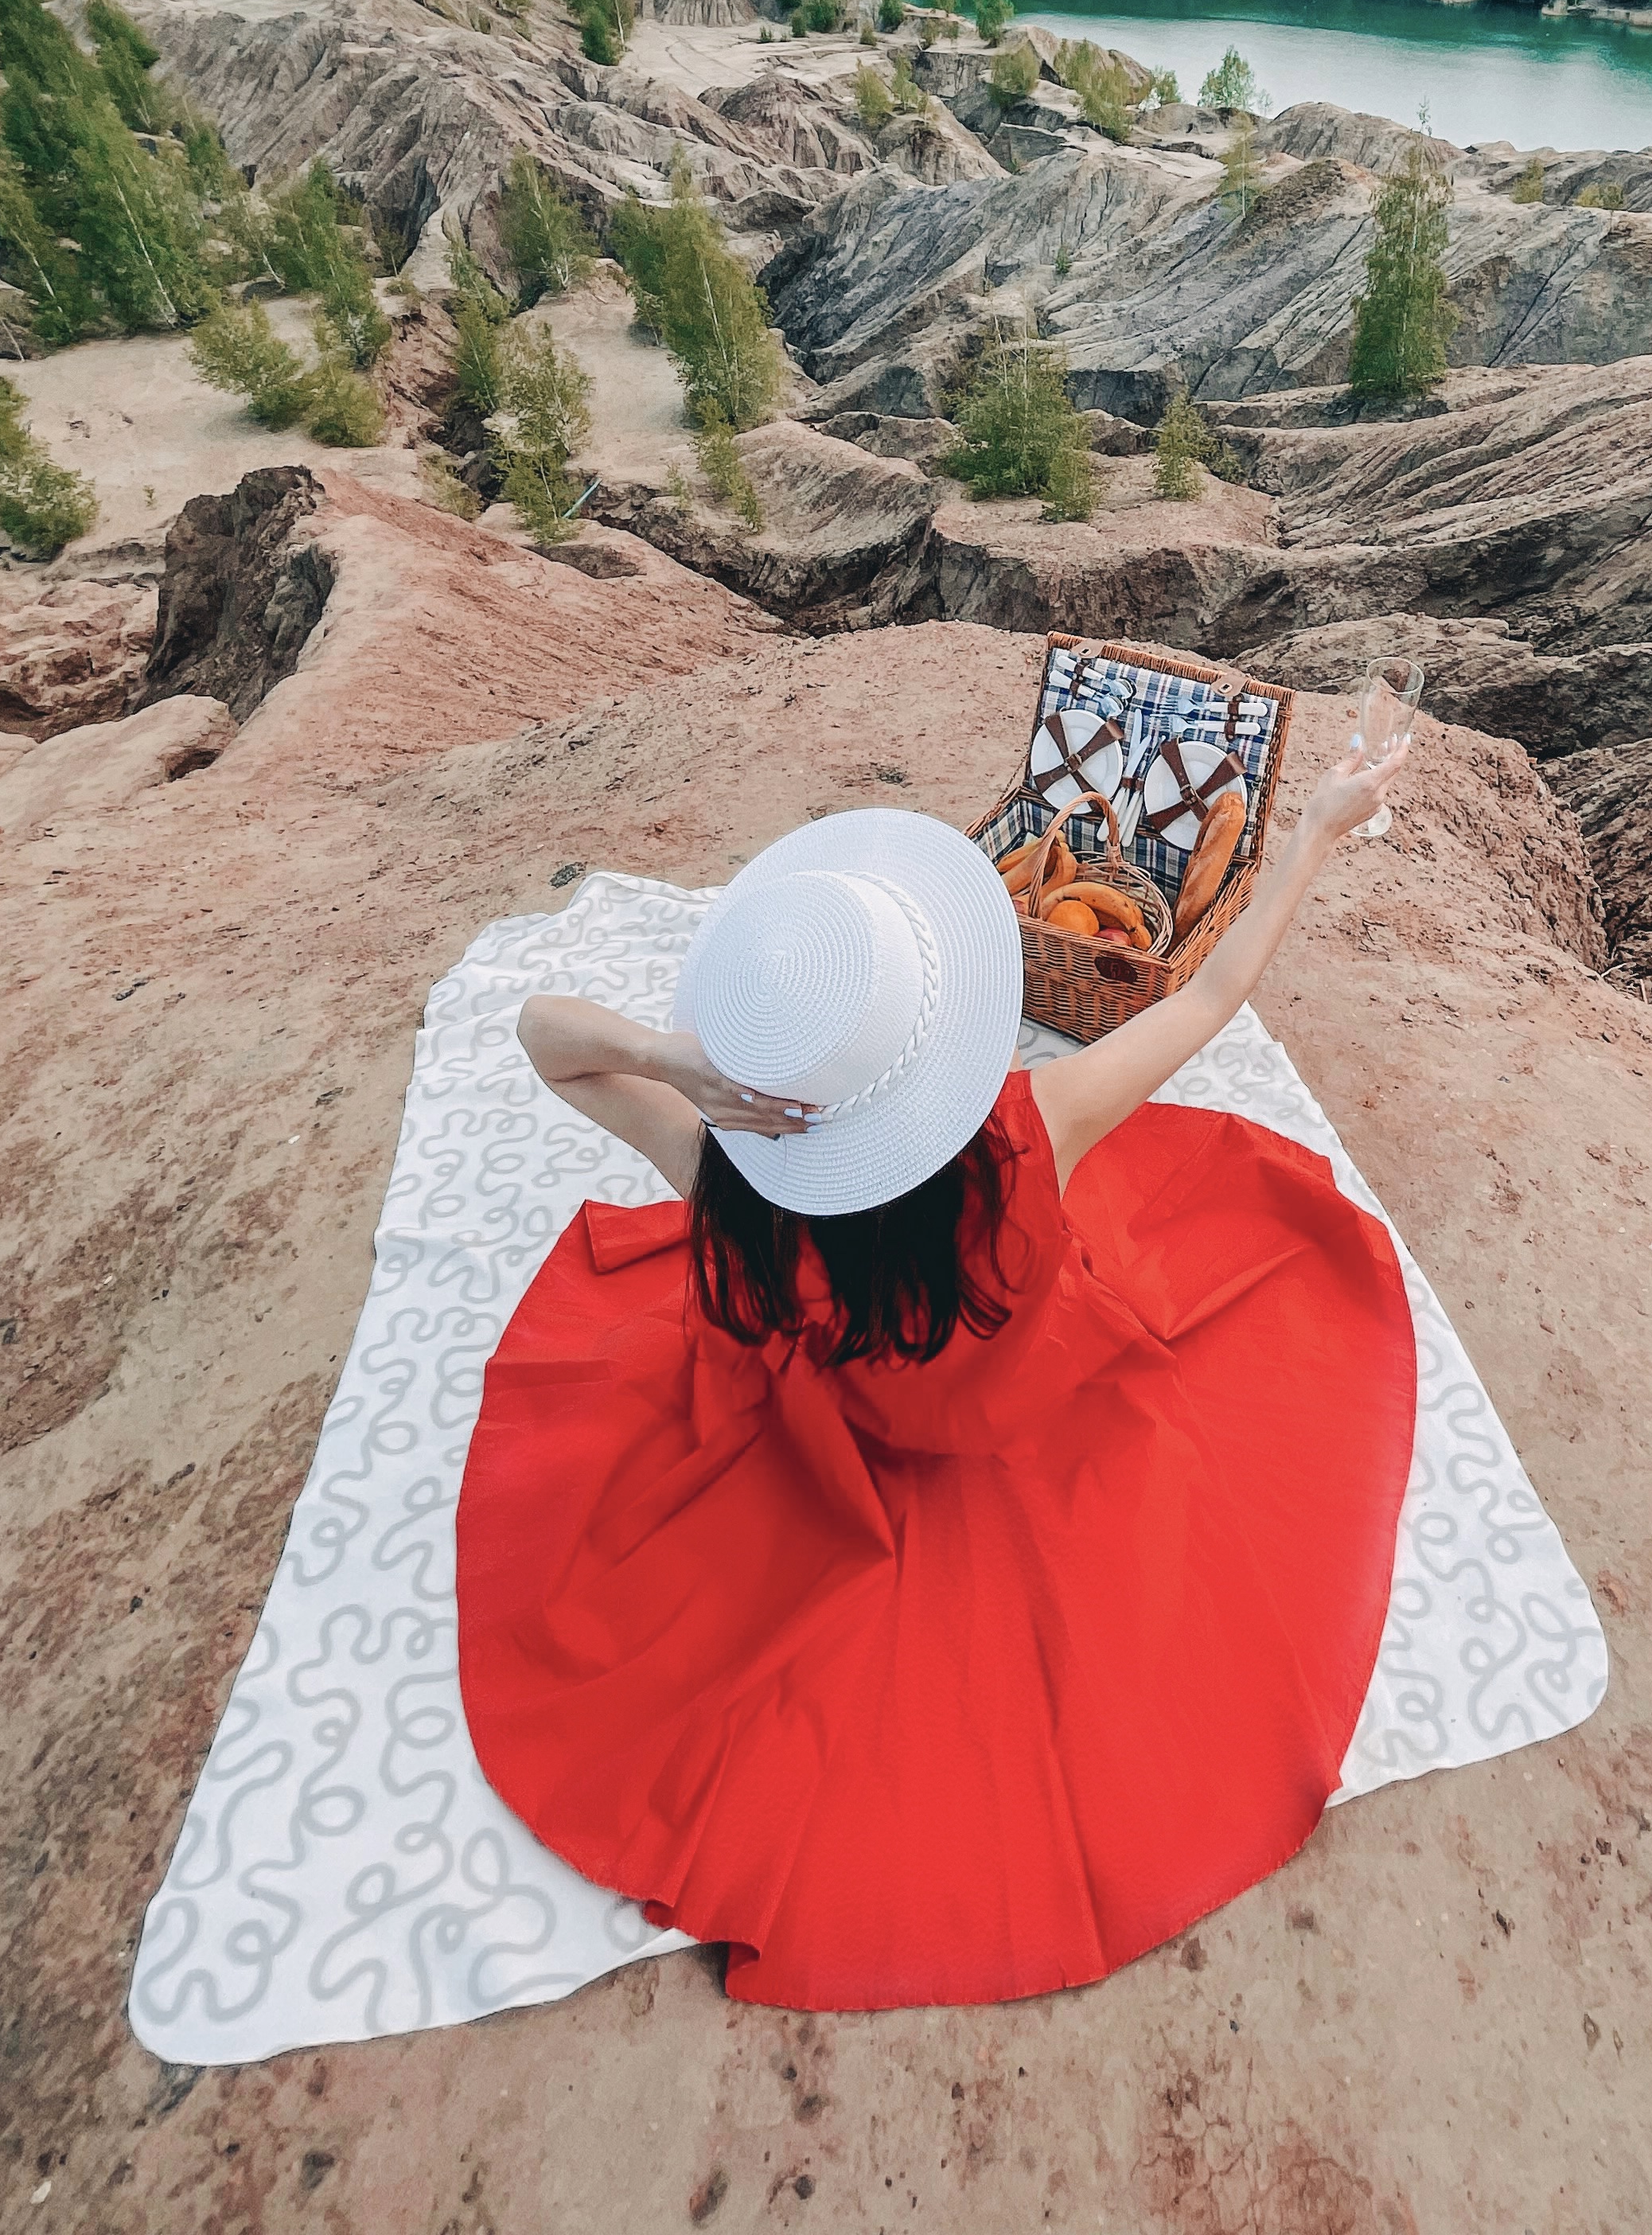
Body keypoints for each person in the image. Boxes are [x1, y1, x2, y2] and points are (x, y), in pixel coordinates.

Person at [457, 727, 1416, 2011]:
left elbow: (544, 1036)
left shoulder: (726, 1189)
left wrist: (689, 1070)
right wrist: (1315, 832)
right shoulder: (1037, 1129)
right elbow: (1206, 997)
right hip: (1027, 1401)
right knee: (1220, 1214)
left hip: (851, 1425)